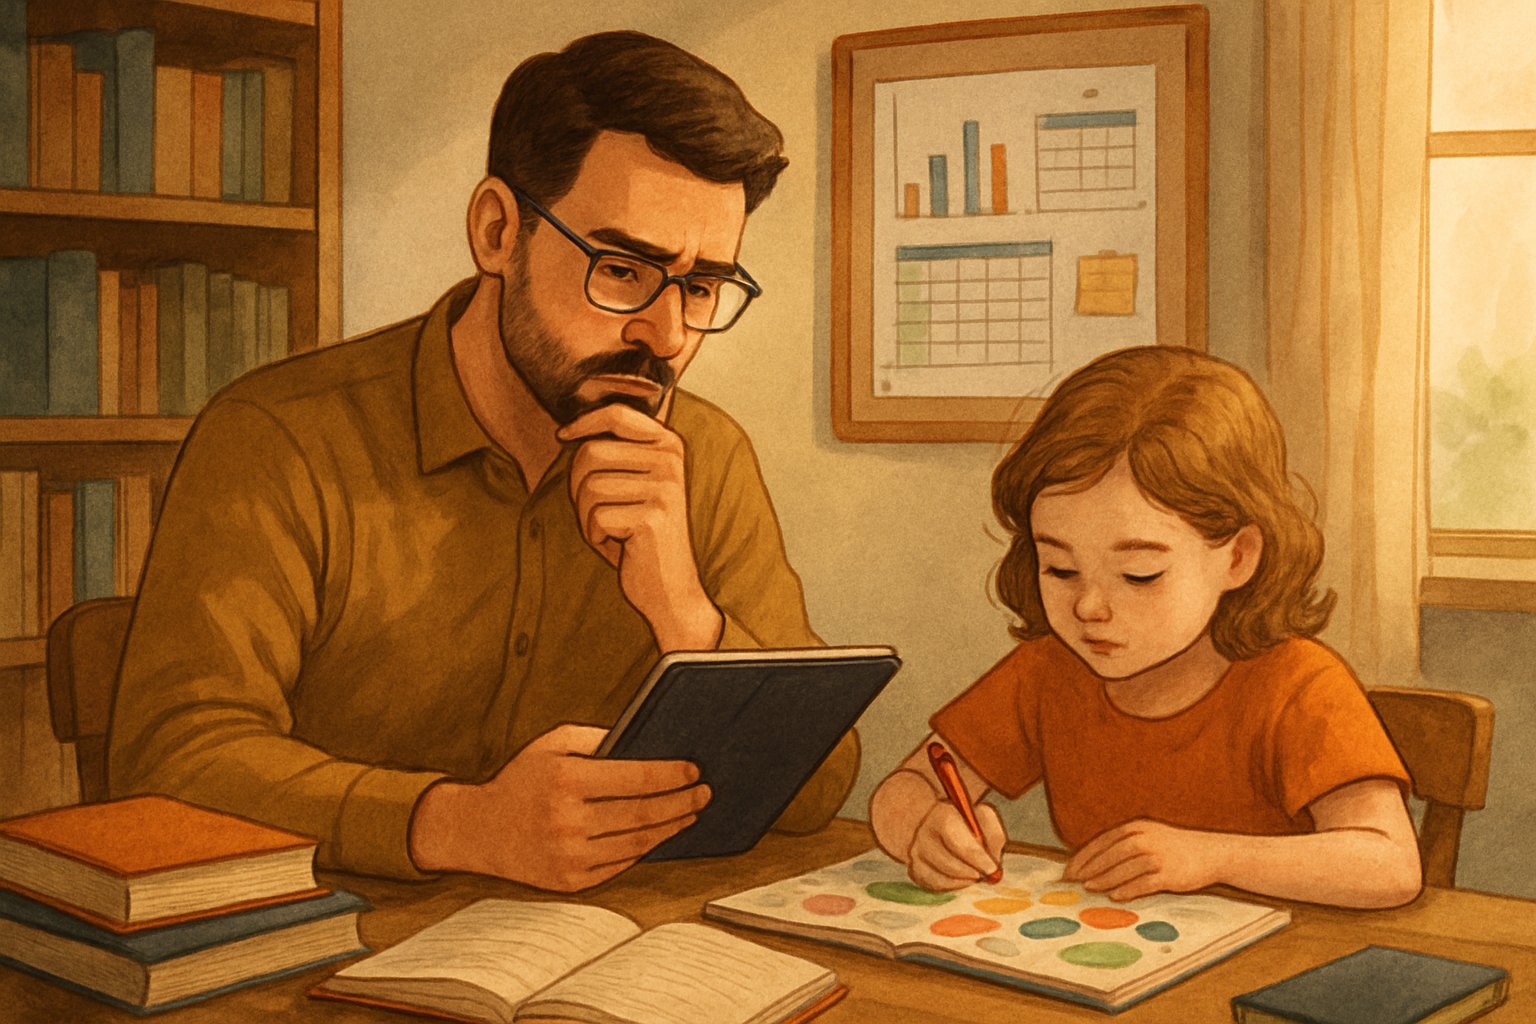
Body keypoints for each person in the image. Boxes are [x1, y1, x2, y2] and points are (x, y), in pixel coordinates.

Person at [107, 31, 858, 892]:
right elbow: (168, 759)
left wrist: (688, 619)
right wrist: (459, 825)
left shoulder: (704, 456)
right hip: (315, 948)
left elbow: (820, 786)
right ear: (499, 231)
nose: (668, 334)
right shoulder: (279, 435)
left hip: (602, 952)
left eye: (699, 286)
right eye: (621, 269)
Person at [868, 346, 1422, 909]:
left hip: (1274, 966)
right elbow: (903, 789)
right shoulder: (1049, 671)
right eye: (1059, 568)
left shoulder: (1297, 683)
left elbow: (1392, 865)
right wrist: (925, 829)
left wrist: (1211, 856)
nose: (1088, 607)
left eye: (1139, 574)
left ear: (1237, 557)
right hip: (1108, 961)